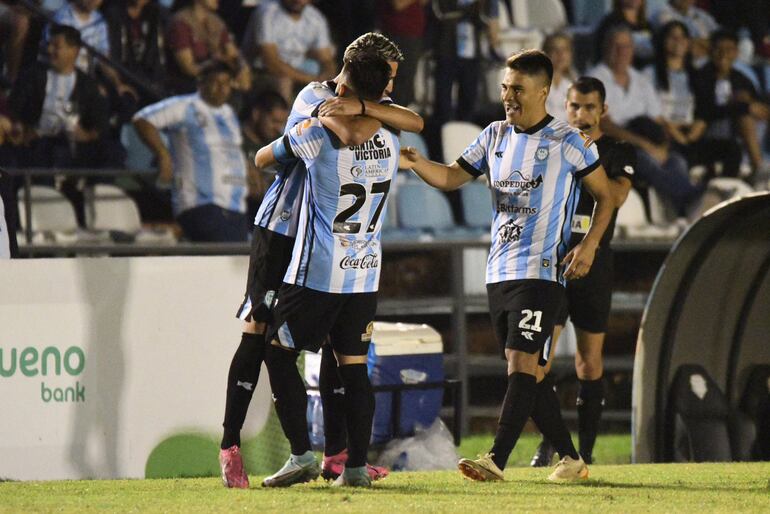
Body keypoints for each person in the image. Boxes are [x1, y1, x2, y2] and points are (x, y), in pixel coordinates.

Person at [219, 32, 423, 489]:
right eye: (388, 79)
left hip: (323, 239)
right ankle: (231, 446)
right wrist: (367, 110)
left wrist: (367, 106)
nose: (392, 89)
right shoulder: (316, 97)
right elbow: (360, 131)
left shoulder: (368, 108)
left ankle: (336, 456)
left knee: (334, 346)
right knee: (257, 332)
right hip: (283, 230)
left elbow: (412, 119)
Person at [400, 49, 614, 482]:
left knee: (521, 363)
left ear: (543, 91)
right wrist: (416, 163)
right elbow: (449, 177)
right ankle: (572, 461)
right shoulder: (494, 135)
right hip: (499, 270)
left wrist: (589, 245)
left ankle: (495, 459)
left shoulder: (569, 142)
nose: (508, 96)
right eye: (504, 87)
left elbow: (606, 197)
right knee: (530, 375)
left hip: (542, 272)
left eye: (517, 88)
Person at [256, 52, 399, 488]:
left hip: (317, 272)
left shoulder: (316, 135)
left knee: (278, 353)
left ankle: (300, 455)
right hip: (365, 273)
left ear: (344, 89)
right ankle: (355, 467)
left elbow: (263, 158)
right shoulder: (391, 139)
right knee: (353, 367)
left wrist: (295, 134)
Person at [529, 76, 634, 468]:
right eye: (574, 106)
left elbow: (618, 195)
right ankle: (549, 443)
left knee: (589, 362)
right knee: (539, 360)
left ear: (602, 110)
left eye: (589, 107)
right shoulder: (555, 144)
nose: (580, 114)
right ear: (565, 106)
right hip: (554, 260)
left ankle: (585, 450)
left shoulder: (617, 150)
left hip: (595, 263)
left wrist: (584, 159)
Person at [132, 61, 250, 242]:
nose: (221, 88)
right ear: (201, 83)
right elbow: (142, 120)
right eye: (216, 82)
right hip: (202, 205)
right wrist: (162, 154)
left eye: (226, 83)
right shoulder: (184, 106)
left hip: (236, 208)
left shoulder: (229, 113)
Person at [589, 25, 701, 216]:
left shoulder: (640, 80)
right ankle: (688, 198)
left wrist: (663, 147)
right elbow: (604, 124)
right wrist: (646, 145)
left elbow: (658, 119)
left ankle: (684, 209)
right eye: (617, 46)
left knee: (676, 160)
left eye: (626, 47)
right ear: (606, 47)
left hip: (646, 138)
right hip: (613, 144)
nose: (622, 52)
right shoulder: (595, 78)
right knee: (642, 160)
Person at [646, 21, 742, 177]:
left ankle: (724, 187)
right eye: (673, 37)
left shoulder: (695, 75)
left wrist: (696, 130)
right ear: (663, 41)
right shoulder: (650, 73)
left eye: (683, 37)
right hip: (665, 133)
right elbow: (650, 112)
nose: (678, 41)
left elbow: (704, 109)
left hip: (690, 133)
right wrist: (675, 132)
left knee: (732, 148)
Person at [692, 30, 770, 181]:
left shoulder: (741, 79)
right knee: (744, 115)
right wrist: (743, 107)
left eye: (729, 49)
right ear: (711, 51)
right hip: (709, 132)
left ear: (736, 53)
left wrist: (751, 105)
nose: (723, 54)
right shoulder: (701, 77)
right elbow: (705, 112)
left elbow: (756, 105)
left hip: (738, 131)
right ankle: (758, 165)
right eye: (718, 49)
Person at [241, 0, 335, 102]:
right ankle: (284, 117)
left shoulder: (316, 17)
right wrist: (312, 80)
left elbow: (326, 59)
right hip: (261, 73)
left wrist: (327, 78)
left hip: (300, 72)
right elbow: (271, 63)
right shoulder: (267, 12)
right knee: (284, 81)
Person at [165, 0, 250, 94]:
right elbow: (189, 68)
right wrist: (214, 61)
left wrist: (242, 68)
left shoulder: (216, 22)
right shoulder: (180, 23)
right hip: (190, 84)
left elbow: (233, 53)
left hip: (216, 78)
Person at [543, 32, 577, 121]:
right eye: (555, 49)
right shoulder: (535, 84)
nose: (560, 54)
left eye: (565, 49)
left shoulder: (574, 85)